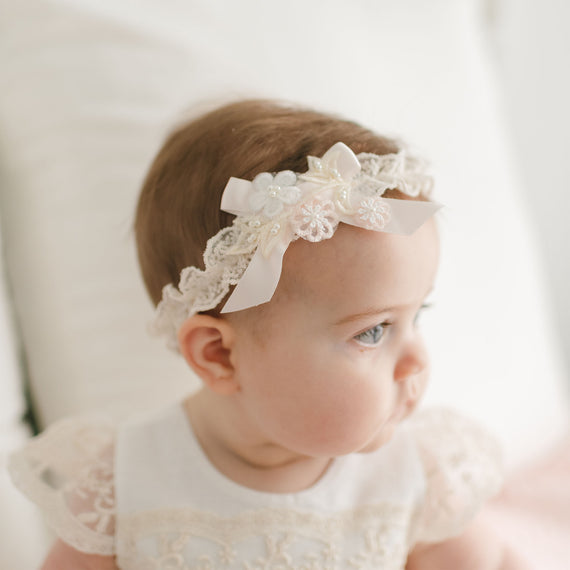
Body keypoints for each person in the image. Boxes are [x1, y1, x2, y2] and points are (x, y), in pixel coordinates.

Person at [8, 100, 529, 569]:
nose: (416, 359)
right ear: (219, 356)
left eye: (419, 314)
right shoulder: (127, 482)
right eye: (373, 331)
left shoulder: (410, 479)